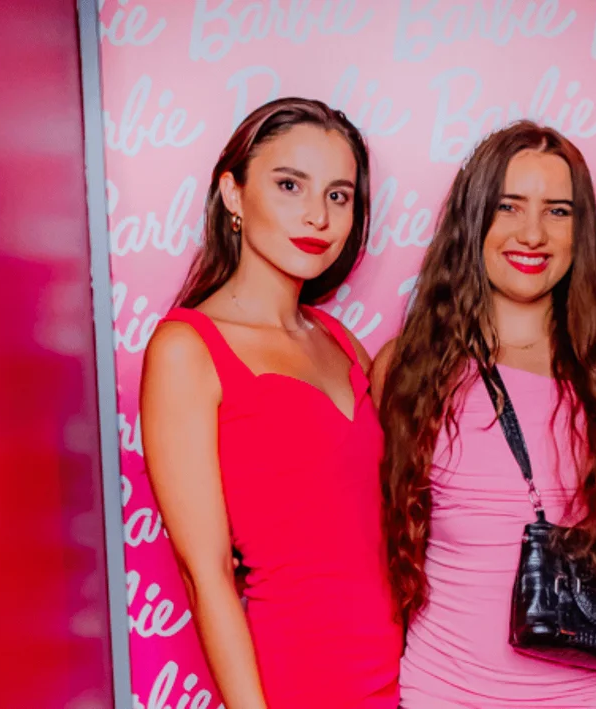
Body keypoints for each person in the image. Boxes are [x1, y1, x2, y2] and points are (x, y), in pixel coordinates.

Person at [372, 120, 596, 708]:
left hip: (594, 695)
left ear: (581, 230)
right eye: (509, 206)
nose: (533, 233)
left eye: (558, 211)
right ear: (474, 218)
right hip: (443, 692)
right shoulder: (405, 366)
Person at [140, 97, 401, 709]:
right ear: (232, 193)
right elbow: (205, 576)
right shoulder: (187, 350)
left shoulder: (342, 341)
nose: (318, 216)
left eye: (338, 195)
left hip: (404, 674)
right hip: (297, 681)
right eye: (290, 185)